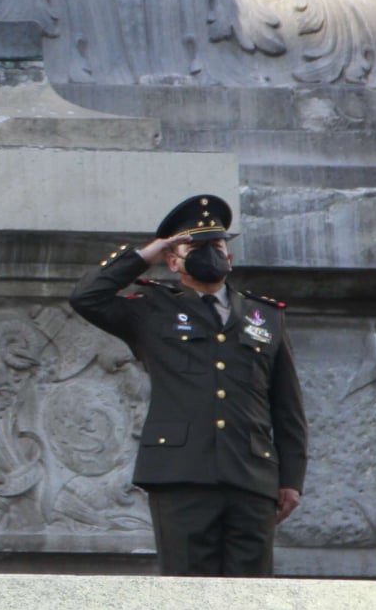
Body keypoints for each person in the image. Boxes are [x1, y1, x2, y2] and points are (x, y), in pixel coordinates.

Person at [70, 193, 307, 576]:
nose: (210, 253)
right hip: (181, 476)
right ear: (173, 259)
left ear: (229, 257)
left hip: (251, 477)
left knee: (252, 599)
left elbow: (288, 406)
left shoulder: (265, 316)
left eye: (216, 245)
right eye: (195, 246)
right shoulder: (150, 306)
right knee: (187, 595)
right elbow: (86, 297)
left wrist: (291, 480)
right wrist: (147, 252)